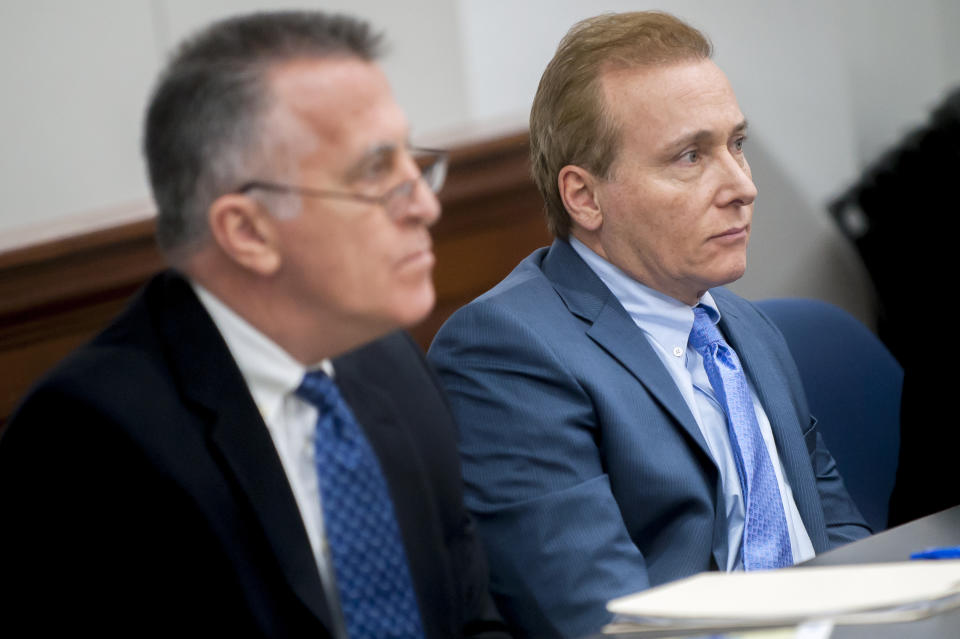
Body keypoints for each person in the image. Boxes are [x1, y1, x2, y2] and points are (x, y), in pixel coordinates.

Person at [0, 11, 507, 639]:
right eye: (376, 174)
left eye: (414, 163)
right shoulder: (91, 438)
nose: (426, 205)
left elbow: (472, 623)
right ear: (247, 231)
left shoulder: (390, 363)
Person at [428, 11, 870, 638]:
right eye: (691, 156)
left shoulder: (741, 327)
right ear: (584, 197)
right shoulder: (506, 352)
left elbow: (842, 540)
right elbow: (603, 620)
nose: (742, 186)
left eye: (736, 144)